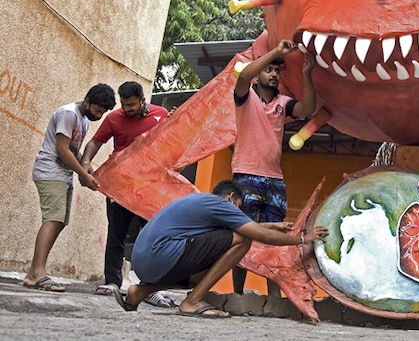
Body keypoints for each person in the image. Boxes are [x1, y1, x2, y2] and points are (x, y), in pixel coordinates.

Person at [112, 179, 327, 318]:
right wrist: (302, 239)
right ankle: (192, 301)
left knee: (201, 274)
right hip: (163, 254)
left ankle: (141, 291)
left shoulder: (202, 202)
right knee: (243, 240)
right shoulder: (220, 205)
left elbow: (244, 227)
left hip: (146, 261)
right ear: (230, 198)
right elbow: (257, 235)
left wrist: (272, 225)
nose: (237, 212)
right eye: (238, 208)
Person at [231, 39, 316, 295]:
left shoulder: (283, 103)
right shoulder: (245, 98)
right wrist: (276, 52)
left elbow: (307, 108)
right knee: (241, 237)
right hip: (246, 175)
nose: (274, 74)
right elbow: (244, 75)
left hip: (275, 180)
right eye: (269, 70)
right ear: (258, 75)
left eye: (277, 71)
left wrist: (306, 74)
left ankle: (274, 297)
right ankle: (237, 294)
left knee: (275, 239)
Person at [81, 81, 172, 306]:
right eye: (123, 105)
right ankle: (112, 282)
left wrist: (175, 121)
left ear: (142, 100)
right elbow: (95, 142)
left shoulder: (161, 115)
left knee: (152, 238)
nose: (127, 109)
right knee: (116, 235)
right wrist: (85, 162)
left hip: (150, 188)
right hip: (120, 188)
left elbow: (174, 142)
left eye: (131, 104)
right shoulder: (114, 118)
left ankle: (150, 288)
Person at [22, 84, 116, 292]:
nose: (99, 115)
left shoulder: (82, 119)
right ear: (87, 100)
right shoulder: (68, 114)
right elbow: (62, 150)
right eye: (98, 110)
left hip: (62, 175)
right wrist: (83, 175)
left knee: (59, 221)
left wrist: (88, 168)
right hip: (50, 172)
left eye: (103, 112)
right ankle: (37, 274)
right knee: (53, 219)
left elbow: (74, 150)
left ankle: (35, 272)